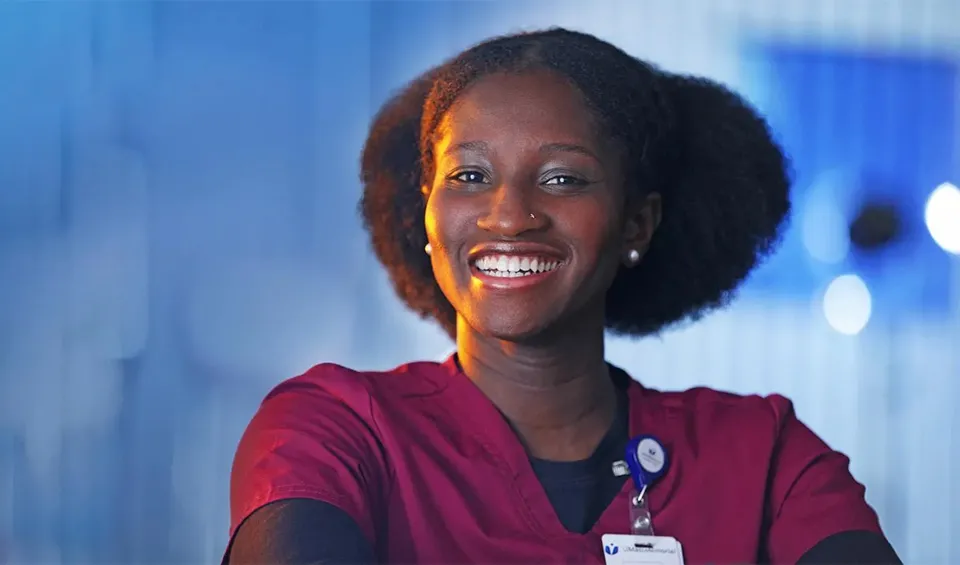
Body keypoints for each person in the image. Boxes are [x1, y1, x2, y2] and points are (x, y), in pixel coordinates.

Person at [224, 28, 901, 565]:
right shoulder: (337, 431)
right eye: (469, 173)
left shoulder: (766, 457)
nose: (509, 214)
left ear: (637, 223)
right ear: (426, 211)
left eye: (562, 178)